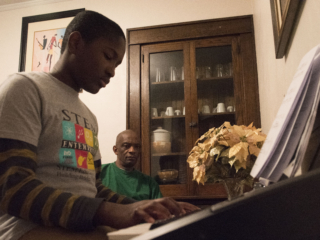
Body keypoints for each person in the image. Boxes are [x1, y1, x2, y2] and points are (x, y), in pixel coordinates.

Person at [0, 10, 198, 240]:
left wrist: (147, 207)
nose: (112, 71)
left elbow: (93, 188)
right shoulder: (25, 88)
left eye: (117, 63)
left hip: (82, 227)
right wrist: (109, 213)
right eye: (108, 56)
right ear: (75, 42)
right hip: (24, 229)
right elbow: (11, 187)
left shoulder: (88, 116)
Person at [101, 130, 163, 200]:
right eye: (126, 146)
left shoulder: (149, 183)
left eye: (136, 147)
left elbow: (159, 209)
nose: (132, 150)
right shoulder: (100, 172)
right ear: (116, 150)